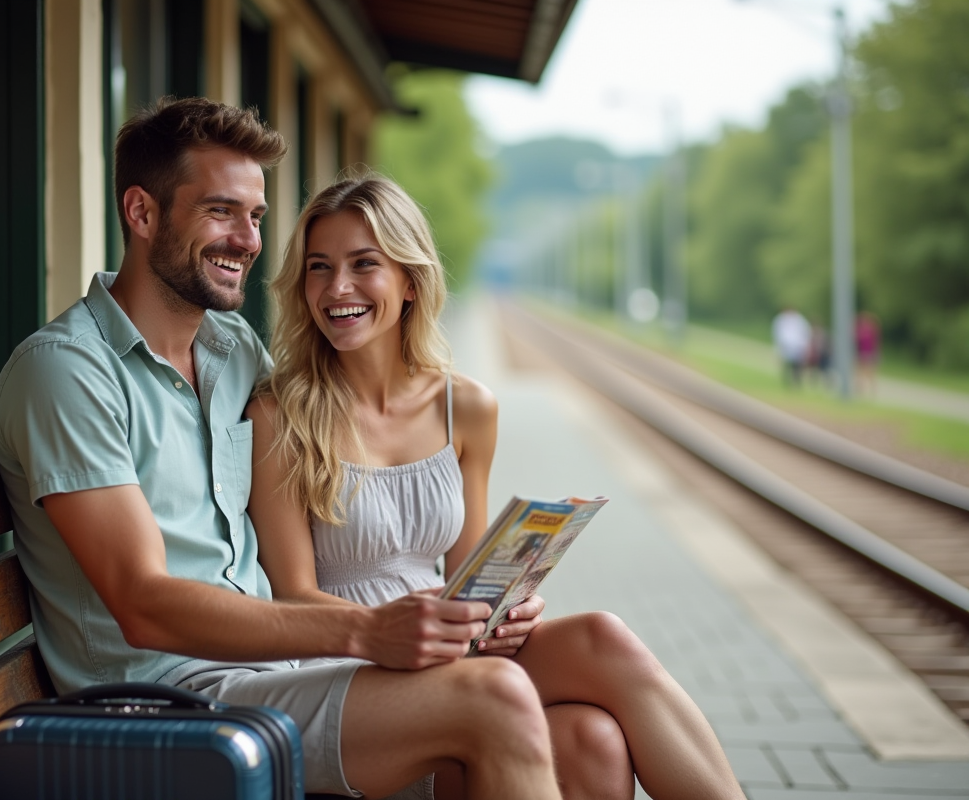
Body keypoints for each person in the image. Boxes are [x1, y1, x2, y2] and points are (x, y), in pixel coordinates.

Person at [0, 97, 566, 800]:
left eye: (256, 217)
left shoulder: (233, 352)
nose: (248, 240)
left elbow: (332, 425)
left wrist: (482, 601)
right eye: (221, 212)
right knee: (497, 700)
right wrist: (365, 631)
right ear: (141, 214)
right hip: (162, 707)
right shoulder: (68, 372)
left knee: (586, 734)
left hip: (271, 675)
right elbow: (143, 603)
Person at [246, 174, 745, 800]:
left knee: (597, 703)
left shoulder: (467, 408)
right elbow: (293, 597)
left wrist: (507, 611)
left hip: (450, 650)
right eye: (319, 268)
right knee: (588, 725)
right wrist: (400, 627)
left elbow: (469, 576)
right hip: (346, 666)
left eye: (363, 264)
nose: (337, 288)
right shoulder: (279, 413)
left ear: (409, 280)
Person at [771, 306, 811, 388]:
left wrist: (804, 345)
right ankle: (787, 381)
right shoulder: (781, 319)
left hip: (797, 345)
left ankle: (797, 381)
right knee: (786, 364)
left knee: (797, 365)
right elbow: (777, 332)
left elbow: (805, 332)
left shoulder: (799, 320)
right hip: (785, 345)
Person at [855, 311, 880, 396]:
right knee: (860, 372)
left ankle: (872, 390)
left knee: (869, 373)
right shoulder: (861, 329)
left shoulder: (870, 330)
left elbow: (875, 342)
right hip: (862, 352)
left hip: (868, 353)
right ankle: (861, 389)